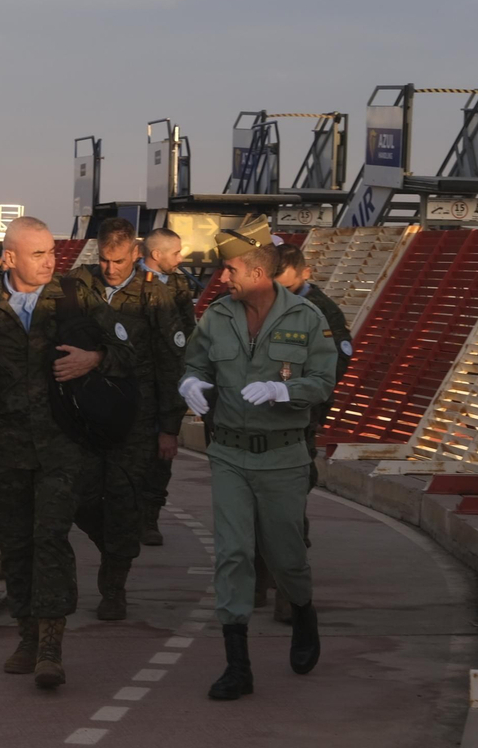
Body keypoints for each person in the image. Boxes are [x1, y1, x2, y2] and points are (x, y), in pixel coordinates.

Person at [0, 216, 131, 690]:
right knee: (16, 544)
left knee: (50, 539)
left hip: (62, 445)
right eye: (38, 254)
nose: (49, 262)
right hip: (3, 448)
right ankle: (27, 633)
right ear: (10, 258)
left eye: (51, 253)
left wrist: (96, 358)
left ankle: (50, 647)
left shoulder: (74, 298)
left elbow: (129, 351)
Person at [180, 231, 336, 701]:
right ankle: (238, 666)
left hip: (283, 455)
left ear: (257, 272)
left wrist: (284, 390)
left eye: (229, 269)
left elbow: (323, 380)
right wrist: (190, 382)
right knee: (233, 553)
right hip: (229, 452)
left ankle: (303, 611)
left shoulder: (307, 317)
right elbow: (196, 363)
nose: (221, 276)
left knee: (286, 555)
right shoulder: (217, 316)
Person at [68, 218, 186, 619]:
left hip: (135, 419)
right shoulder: (80, 283)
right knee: (79, 498)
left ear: (136, 254)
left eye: (118, 261)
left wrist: (169, 428)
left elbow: (171, 364)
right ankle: (114, 548)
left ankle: (113, 587)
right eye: (104, 259)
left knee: (123, 503)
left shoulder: (155, 296)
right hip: (85, 417)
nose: (111, 268)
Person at [256, 242, 353, 622]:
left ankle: (288, 590)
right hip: (254, 418)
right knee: (250, 503)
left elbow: (334, 366)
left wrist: (291, 390)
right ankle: (256, 579)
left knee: (288, 505)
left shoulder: (321, 311)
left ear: (303, 273)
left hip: (297, 421)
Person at [135, 227, 199, 544]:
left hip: (167, 381)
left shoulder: (179, 284)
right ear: (156, 254)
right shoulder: (130, 283)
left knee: (161, 459)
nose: (181, 258)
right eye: (175, 253)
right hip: (134, 387)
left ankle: (149, 519)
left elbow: (189, 333)